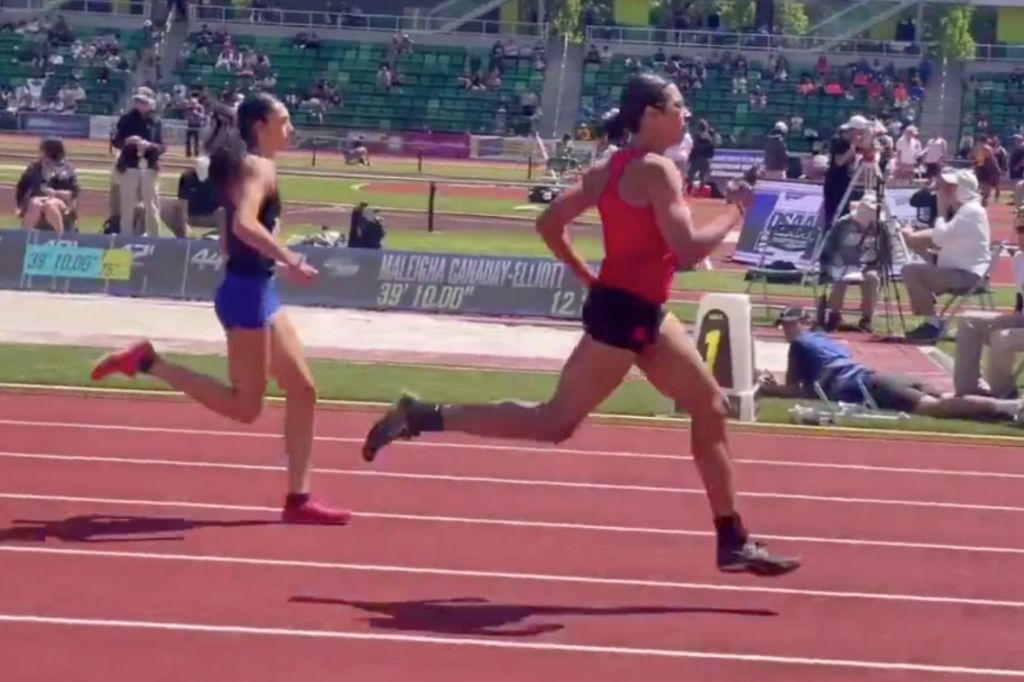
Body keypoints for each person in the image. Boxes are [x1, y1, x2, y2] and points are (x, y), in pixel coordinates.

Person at [361, 74, 801, 577]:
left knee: (710, 405)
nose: (687, 114)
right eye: (679, 106)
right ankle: (424, 414)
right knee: (554, 423)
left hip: (641, 311)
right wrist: (736, 210)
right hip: (625, 315)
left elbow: (548, 224)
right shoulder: (657, 171)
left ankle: (732, 538)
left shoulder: (607, 170)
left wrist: (589, 278)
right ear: (651, 114)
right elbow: (686, 251)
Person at [89, 93, 349, 526]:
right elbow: (245, 224)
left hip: (256, 287)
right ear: (260, 124)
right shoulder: (256, 167)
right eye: (284, 120)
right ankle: (150, 362)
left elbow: (231, 235)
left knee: (302, 388)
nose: (291, 128)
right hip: (247, 293)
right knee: (247, 408)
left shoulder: (250, 163)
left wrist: (264, 261)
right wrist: (288, 258)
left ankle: (299, 498)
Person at [758, 307, 1022, 423]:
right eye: (784, 326)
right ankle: (1005, 407)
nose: (787, 330)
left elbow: (797, 389)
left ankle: (1010, 407)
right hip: (876, 378)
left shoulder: (800, 344)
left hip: (867, 385)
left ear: (804, 322)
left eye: (789, 324)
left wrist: (770, 389)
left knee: (934, 408)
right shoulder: (826, 340)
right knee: (947, 398)